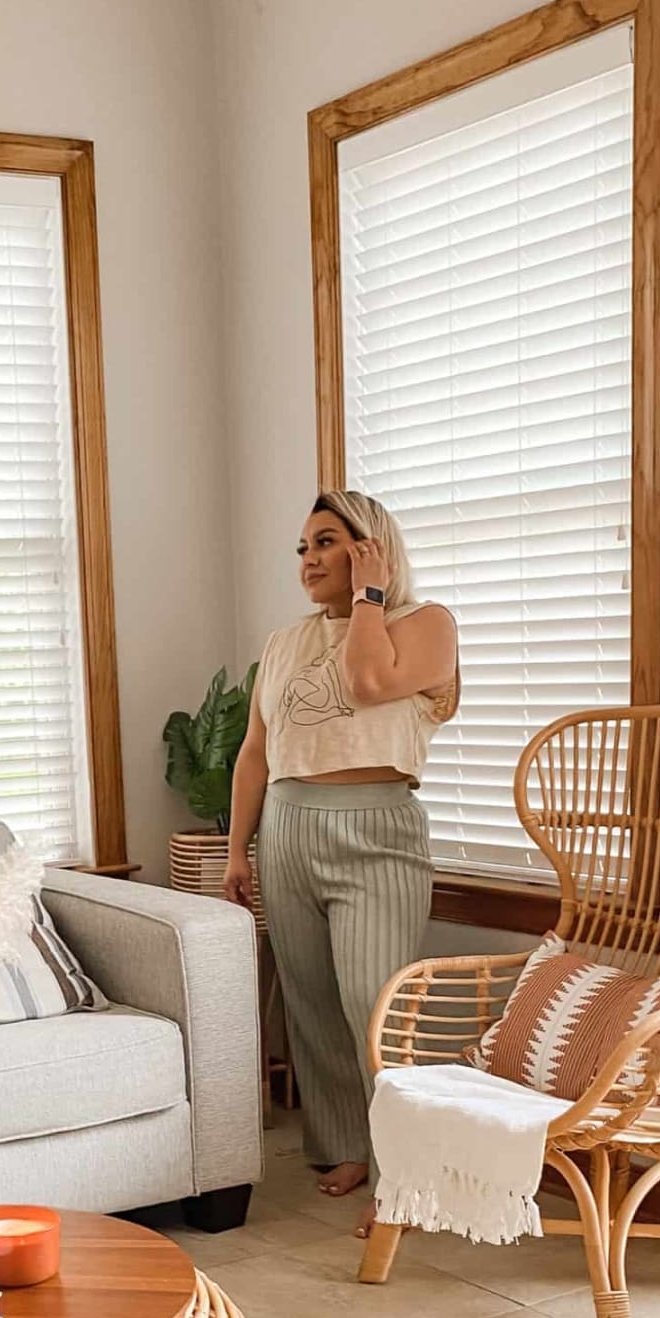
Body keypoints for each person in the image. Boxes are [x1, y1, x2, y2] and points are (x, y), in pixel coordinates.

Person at [224, 489, 458, 1221]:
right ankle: (348, 1142)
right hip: (288, 828)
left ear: (372, 547)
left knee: (375, 1006)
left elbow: (367, 682)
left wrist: (370, 597)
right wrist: (238, 850)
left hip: (378, 830)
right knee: (312, 1003)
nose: (309, 559)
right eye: (302, 547)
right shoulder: (283, 643)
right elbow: (256, 753)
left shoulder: (426, 625)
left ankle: (408, 1172)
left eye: (327, 542)